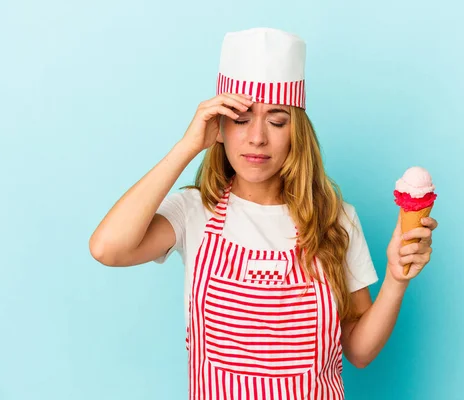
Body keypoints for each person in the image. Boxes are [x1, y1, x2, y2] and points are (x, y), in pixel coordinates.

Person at [89, 27, 438, 399]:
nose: (257, 137)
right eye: (240, 119)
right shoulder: (194, 211)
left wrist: (396, 282)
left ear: (296, 132)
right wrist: (188, 146)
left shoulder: (336, 218)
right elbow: (107, 248)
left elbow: (359, 351)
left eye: (276, 121)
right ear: (219, 126)